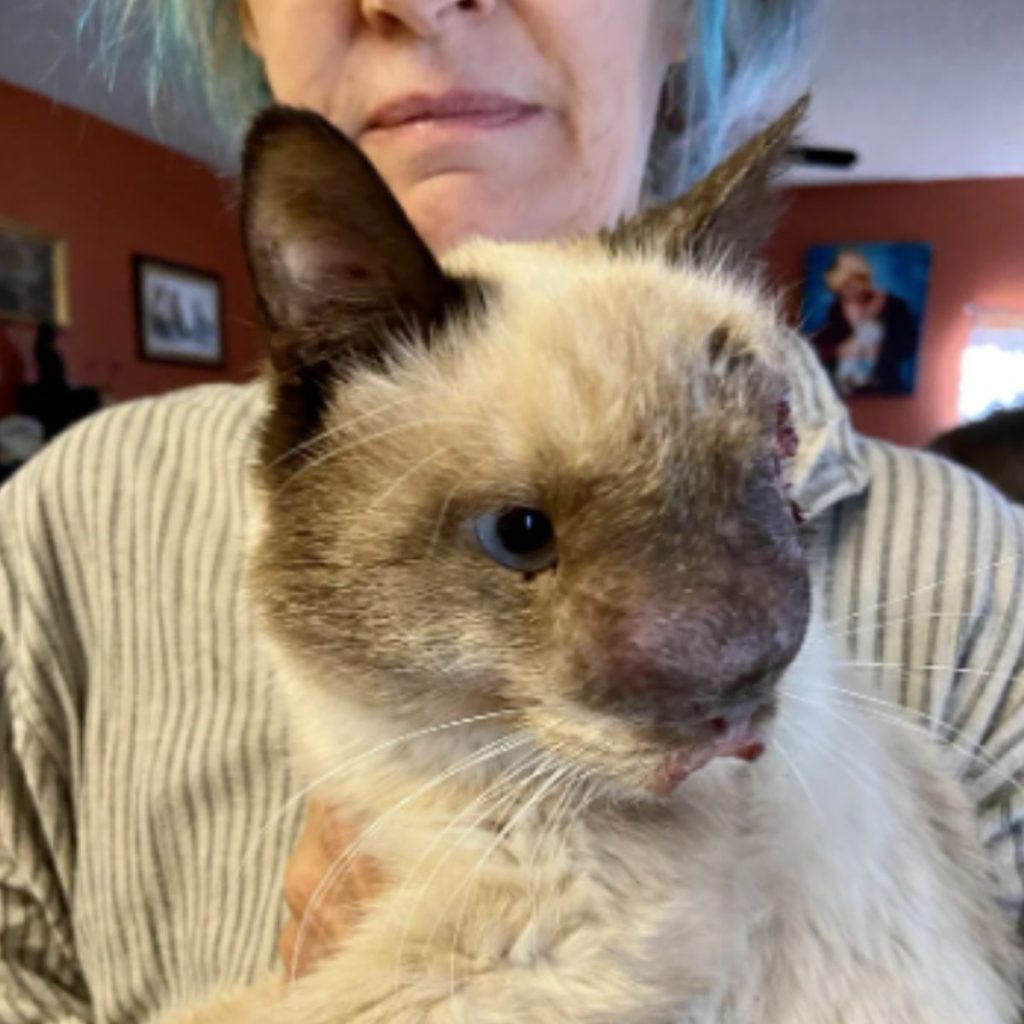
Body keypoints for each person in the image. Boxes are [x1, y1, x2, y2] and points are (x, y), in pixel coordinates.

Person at [1, 2, 1023, 1021]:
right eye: (521, 532)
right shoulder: (68, 521)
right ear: (243, 23)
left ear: (686, 19)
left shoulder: (980, 570)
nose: (418, 0)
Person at [811, 249, 920, 396]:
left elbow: (909, 344)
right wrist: (837, 351)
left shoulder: (893, 306)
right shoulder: (834, 310)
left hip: (883, 390)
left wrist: (880, 351)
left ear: (863, 279)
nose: (847, 291)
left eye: (851, 283)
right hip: (844, 390)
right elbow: (817, 348)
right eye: (841, 287)